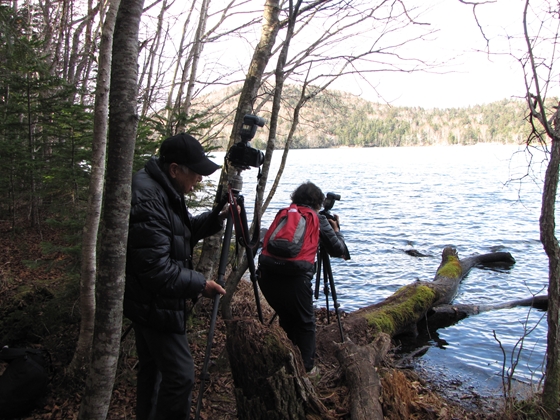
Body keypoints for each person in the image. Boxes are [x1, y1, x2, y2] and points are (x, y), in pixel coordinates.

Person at [123, 133, 227, 420]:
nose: (199, 180)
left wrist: (216, 218)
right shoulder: (148, 196)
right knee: (181, 377)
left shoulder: (161, 188)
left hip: (147, 303)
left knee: (152, 372)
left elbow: (178, 234)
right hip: (155, 304)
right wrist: (200, 284)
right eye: (195, 173)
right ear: (174, 169)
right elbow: (155, 268)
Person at [257, 182, 349, 373]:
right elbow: (337, 250)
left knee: (287, 317)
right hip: (295, 279)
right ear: (318, 202)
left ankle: (287, 362)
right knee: (306, 323)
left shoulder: (285, 213)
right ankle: (306, 371)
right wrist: (337, 231)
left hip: (266, 277)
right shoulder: (317, 218)